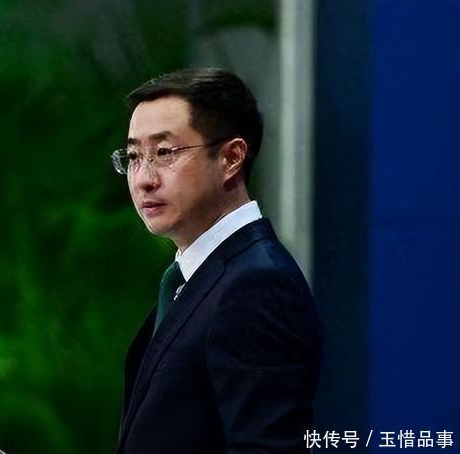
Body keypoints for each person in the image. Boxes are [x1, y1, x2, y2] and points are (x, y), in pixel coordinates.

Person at [111, 68, 321, 453]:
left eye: (164, 153)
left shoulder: (257, 284)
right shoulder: (197, 278)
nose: (143, 179)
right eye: (134, 156)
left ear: (231, 158)